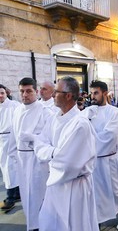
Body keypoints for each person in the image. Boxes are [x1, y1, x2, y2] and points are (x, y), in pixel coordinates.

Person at [20, 76, 98, 231]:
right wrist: (54, 152)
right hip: (55, 184)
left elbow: (67, 163)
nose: (53, 95)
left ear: (68, 96)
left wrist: (50, 152)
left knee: (74, 225)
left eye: (56, 92)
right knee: (52, 223)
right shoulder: (55, 118)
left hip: (74, 186)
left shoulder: (80, 124)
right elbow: (41, 142)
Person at [82, 80, 118, 230]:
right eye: (91, 93)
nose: (93, 96)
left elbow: (110, 136)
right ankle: (97, 219)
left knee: (115, 190)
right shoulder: (88, 112)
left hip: (109, 159)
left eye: (96, 93)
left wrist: (89, 138)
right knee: (94, 192)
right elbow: (78, 132)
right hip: (93, 161)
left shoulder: (114, 112)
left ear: (105, 93)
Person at [7, 77, 53, 231]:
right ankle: (32, 225)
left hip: (37, 160)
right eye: (22, 91)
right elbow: (13, 135)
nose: (25, 95)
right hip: (21, 160)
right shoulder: (18, 110)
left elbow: (49, 138)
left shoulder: (45, 112)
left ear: (36, 91)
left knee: (39, 196)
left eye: (28, 91)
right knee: (26, 196)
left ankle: (41, 226)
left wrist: (33, 138)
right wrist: (12, 155)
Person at [0, 84, 20, 212]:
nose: (0, 95)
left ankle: (10, 198)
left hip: (10, 139)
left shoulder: (15, 106)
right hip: (1, 140)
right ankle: (17, 193)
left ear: (6, 93)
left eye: (2, 93)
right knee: (8, 169)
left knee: (9, 169)